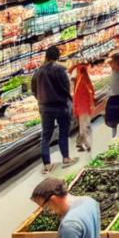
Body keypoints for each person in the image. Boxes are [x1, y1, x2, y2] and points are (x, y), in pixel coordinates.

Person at [31, 46, 78, 174]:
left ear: (46, 56)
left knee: (46, 135)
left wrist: (40, 99)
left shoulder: (38, 71)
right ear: (58, 57)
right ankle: (66, 158)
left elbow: (33, 88)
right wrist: (67, 100)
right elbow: (66, 87)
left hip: (44, 107)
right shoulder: (61, 70)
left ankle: (47, 164)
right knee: (63, 132)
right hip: (60, 106)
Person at [67, 61, 94, 153]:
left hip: (80, 103)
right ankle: (87, 144)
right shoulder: (81, 74)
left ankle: (80, 142)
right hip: (83, 103)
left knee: (83, 124)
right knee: (85, 124)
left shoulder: (77, 74)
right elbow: (89, 89)